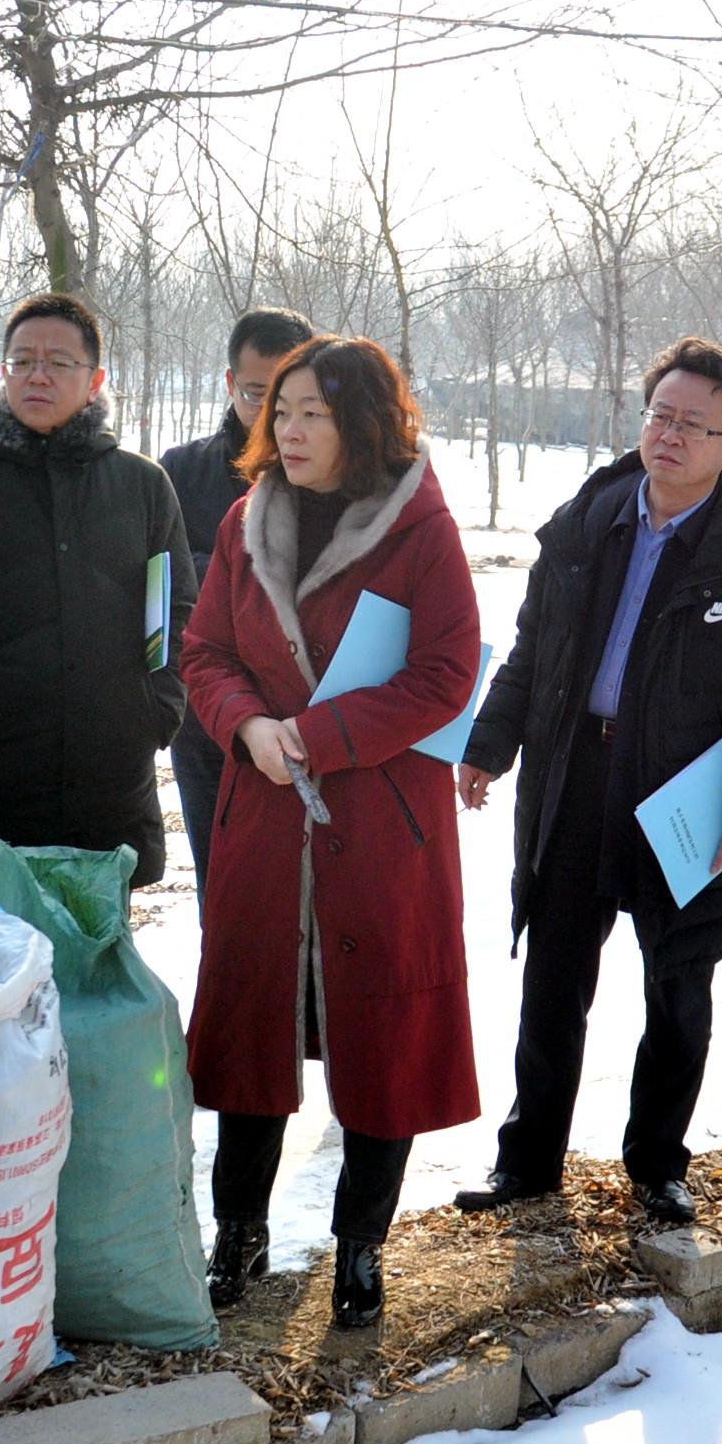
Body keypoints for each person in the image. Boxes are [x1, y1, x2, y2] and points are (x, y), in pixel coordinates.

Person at [453, 337, 722, 1228]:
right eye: (660, 415)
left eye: (695, 424)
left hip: (686, 797)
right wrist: (490, 742)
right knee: (553, 983)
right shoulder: (586, 523)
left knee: (678, 989)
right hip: (577, 775)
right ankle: (527, 1162)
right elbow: (536, 648)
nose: (670, 435)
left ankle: (657, 1166)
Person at [181, 335, 482, 1329]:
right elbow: (206, 651)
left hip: (383, 823)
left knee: (382, 1039)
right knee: (252, 1032)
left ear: (366, 423)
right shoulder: (246, 520)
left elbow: (446, 674)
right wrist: (247, 725)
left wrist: (318, 735)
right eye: (283, 410)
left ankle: (361, 1246)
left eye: (315, 411)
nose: (292, 429)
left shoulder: (420, 528)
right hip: (266, 817)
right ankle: (239, 1234)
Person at [0, 291, 194, 880]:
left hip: (113, 766)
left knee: (98, 928)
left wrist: (156, 711)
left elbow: (178, 608)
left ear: (95, 379)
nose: (38, 376)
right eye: (22, 361)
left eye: (59, 362)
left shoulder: (142, 485)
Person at [159, 306, 316, 905]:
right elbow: (163, 583)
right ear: (229, 383)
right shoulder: (181, 473)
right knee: (223, 889)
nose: (274, 415)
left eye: (291, 398)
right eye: (257, 394)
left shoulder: (339, 480)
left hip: (311, 721)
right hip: (210, 719)